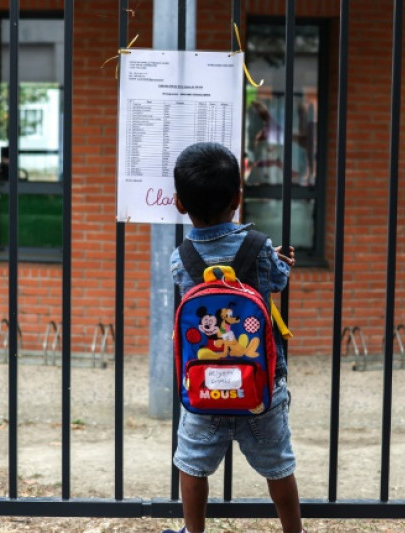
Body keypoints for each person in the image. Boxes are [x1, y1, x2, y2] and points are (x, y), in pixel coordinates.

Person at [162, 142, 304, 533]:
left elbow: (194, 288)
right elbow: (276, 280)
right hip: (260, 387)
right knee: (278, 464)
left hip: (204, 384)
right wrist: (275, 260)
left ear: (179, 203)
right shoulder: (259, 248)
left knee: (191, 462)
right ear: (237, 199)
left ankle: (193, 531)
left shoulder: (181, 257)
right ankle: (294, 531)